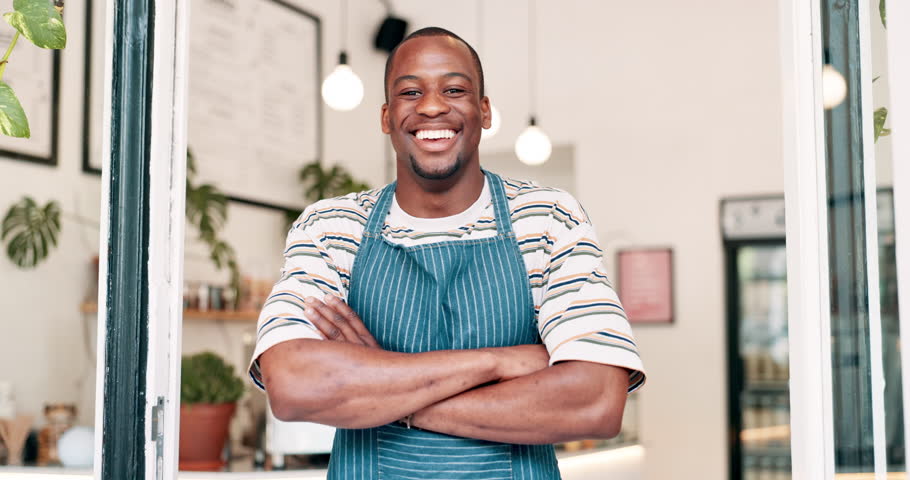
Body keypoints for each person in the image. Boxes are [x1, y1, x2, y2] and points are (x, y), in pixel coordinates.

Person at [249, 26, 646, 479]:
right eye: (410, 91)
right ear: (385, 115)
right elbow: (294, 386)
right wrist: (499, 362)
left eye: (454, 89)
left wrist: (381, 383)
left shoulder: (548, 219)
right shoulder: (331, 227)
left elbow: (595, 402)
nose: (433, 105)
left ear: (484, 110)